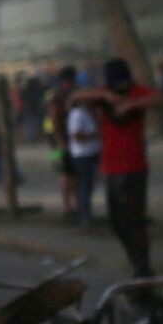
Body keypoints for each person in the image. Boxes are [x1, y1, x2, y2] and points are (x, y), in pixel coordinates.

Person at [73, 58, 163, 277]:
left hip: (134, 166)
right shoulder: (103, 93)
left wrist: (132, 104)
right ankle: (135, 259)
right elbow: (76, 98)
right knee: (117, 222)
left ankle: (142, 266)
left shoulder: (137, 92)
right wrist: (105, 96)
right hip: (111, 167)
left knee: (135, 219)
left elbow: (161, 98)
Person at [47, 67, 79, 223]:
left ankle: (71, 205)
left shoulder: (59, 92)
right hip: (60, 141)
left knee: (67, 172)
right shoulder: (60, 95)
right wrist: (61, 143)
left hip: (55, 140)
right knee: (66, 173)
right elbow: (54, 119)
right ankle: (67, 206)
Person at [67, 95, 103, 228]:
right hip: (83, 154)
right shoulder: (77, 114)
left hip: (91, 152)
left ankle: (85, 214)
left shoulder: (87, 113)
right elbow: (77, 135)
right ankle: (84, 216)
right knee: (84, 185)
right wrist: (95, 134)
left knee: (88, 184)